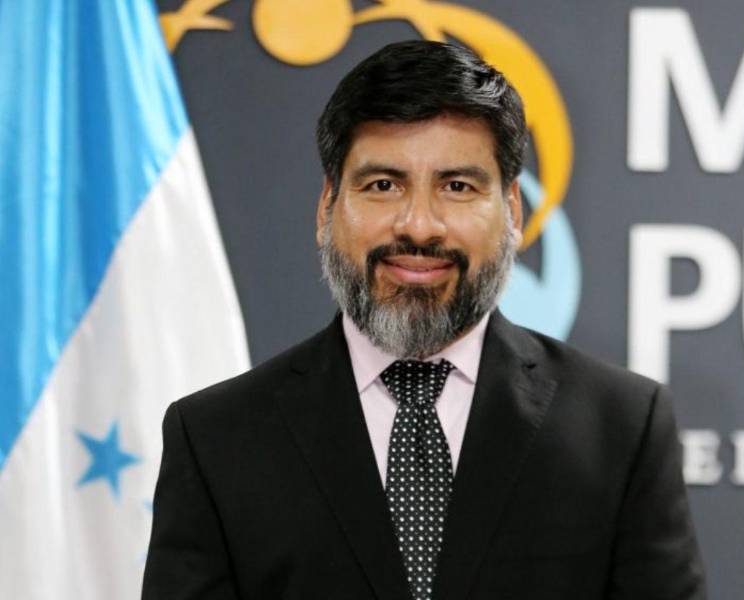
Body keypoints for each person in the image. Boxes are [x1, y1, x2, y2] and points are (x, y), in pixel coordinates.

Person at [142, 40, 705, 600]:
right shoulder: (217, 438)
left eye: (457, 186)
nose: (418, 225)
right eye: (383, 185)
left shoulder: (620, 428)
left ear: (511, 211)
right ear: (326, 207)